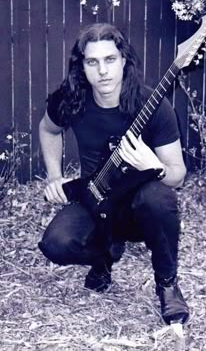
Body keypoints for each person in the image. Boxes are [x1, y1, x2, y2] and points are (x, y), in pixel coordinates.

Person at [38, 22, 189, 326]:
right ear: (82, 67)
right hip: (94, 198)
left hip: (139, 205)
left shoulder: (153, 105)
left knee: (159, 199)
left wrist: (151, 164)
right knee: (57, 243)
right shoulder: (71, 99)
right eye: (92, 62)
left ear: (123, 61)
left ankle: (168, 285)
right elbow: (48, 129)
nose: (102, 71)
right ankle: (103, 257)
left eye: (109, 59)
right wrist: (54, 176)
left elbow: (177, 176)